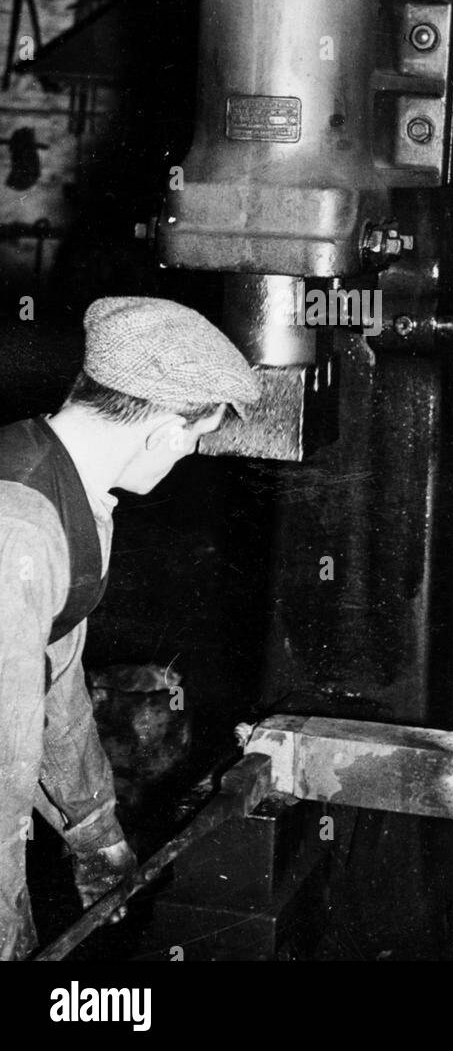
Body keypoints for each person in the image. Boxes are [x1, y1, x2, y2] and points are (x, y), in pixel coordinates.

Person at [0, 295, 260, 960]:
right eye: (197, 440)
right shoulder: (19, 531)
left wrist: (95, 834)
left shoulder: (68, 488)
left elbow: (53, 686)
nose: (189, 456)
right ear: (167, 431)